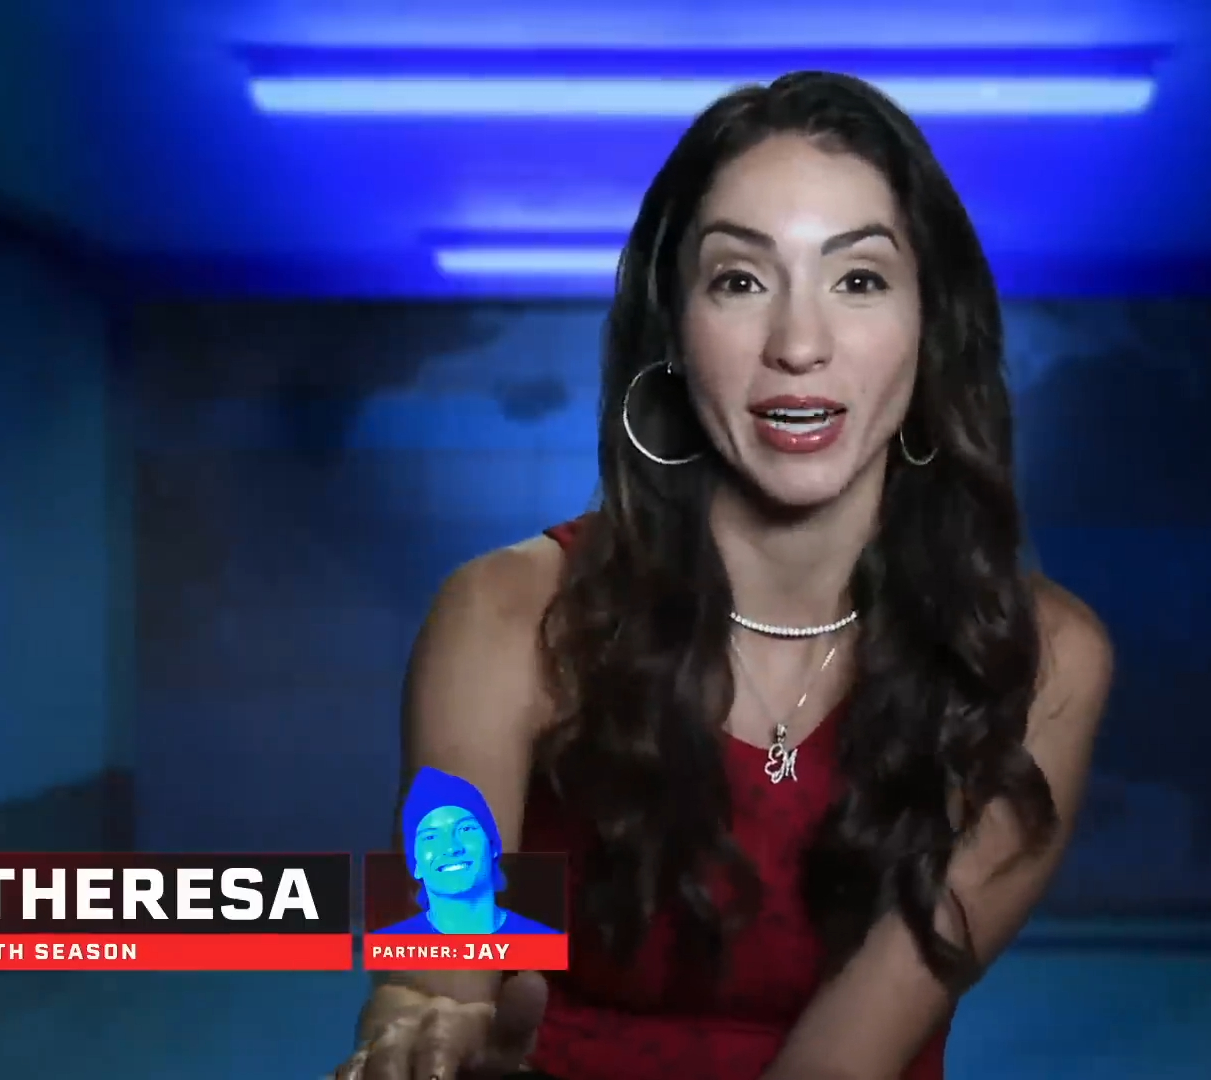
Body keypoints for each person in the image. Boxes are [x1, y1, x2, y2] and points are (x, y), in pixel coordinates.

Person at [332, 70, 1113, 1080]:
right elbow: (443, 960)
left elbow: (843, 1063)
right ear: (675, 329)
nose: (799, 345)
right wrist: (423, 1034)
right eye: (739, 281)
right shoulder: (503, 614)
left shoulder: (1038, 663)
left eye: (859, 280)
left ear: (931, 329)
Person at [372, 767, 559, 935]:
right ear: (416, 866)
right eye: (430, 837)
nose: (451, 848)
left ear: (493, 846)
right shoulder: (389, 949)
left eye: (466, 829)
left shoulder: (544, 944)